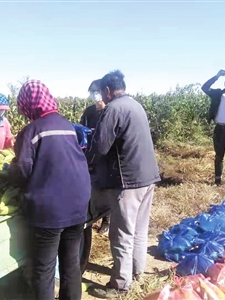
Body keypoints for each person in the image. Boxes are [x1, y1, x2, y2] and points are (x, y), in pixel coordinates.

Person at [8, 80, 91, 300]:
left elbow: (23, 171)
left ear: (28, 103)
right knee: (71, 263)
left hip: (50, 210)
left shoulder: (32, 131)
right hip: (78, 205)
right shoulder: (67, 126)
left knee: (44, 269)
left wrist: (8, 172)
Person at [87, 70, 160, 298]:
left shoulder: (113, 109)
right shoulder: (135, 105)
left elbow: (100, 147)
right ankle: (137, 272)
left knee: (121, 234)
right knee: (139, 229)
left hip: (128, 181)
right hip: (148, 178)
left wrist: (85, 162)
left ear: (107, 91)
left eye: (102, 92)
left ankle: (119, 285)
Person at [80, 79, 110, 235]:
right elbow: (81, 129)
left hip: (105, 157)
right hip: (90, 155)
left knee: (106, 188)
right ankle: (91, 215)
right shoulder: (89, 112)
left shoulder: (110, 110)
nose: (95, 95)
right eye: (92, 92)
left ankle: (106, 219)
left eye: (96, 91)